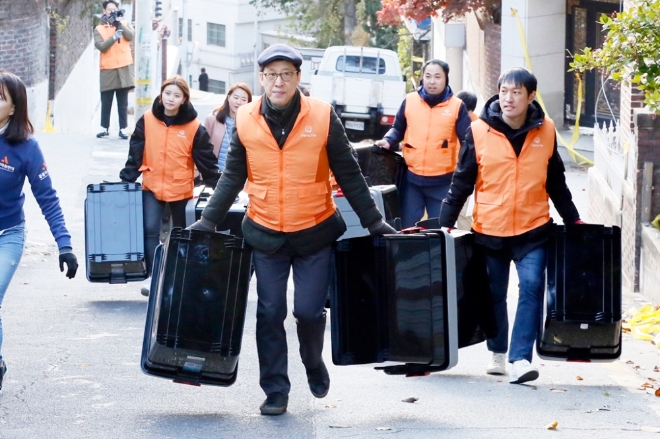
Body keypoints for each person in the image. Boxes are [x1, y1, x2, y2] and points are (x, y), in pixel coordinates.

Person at [188, 44, 396, 415]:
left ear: (299, 78)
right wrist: (210, 218)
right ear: (262, 79)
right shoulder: (247, 117)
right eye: (271, 75)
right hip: (265, 231)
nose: (278, 82)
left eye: (286, 74)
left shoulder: (322, 114)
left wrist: (372, 221)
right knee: (269, 313)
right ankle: (275, 390)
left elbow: (348, 171)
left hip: (314, 230)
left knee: (308, 312)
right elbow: (234, 173)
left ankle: (313, 362)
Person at [438, 67, 585, 385]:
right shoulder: (478, 131)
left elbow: (556, 181)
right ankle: (497, 352)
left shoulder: (545, 130)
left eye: (516, 92)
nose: (509, 98)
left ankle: (520, 359)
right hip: (490, 229)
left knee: (532, 288)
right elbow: (461, 183)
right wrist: (444, 224)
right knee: (493, 295)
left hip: (534, 229)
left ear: (531, 96)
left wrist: (573, 218)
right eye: (504, 91)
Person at [0, 71, 79, 391]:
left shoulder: (26, 149)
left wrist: (65, 244)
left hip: (8, 235)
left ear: (14, 107)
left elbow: (47, 199)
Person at [119, 76, 220, 297]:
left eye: (176, 95)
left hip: (181, 189)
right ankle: (156, 276)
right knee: (149, 230)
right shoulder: (147, 120)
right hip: (152, 185)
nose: (171, 99)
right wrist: (126, 179)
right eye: (167, 93)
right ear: (161, 94)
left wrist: (219, 186)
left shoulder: (194, 127)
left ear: (184, 99)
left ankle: (177, 277)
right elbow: (136, 152)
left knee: (181, 234)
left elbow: (206, 160)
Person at [375, 59, 471, 228]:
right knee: (406, 228)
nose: (432, 81)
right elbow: (397, 128)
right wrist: (388, 141)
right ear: (422, 79)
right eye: (428, 76)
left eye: (437, 77)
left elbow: (468, 141)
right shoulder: (410, 101)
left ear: (446, 79)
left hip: (443, 183)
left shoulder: (457, 107)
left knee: (440, 231)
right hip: (412, 180)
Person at [94, 0, 134, 140]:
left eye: (114, 9)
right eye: (109, 9)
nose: (111, 11)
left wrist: (120, 24)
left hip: (124, 67)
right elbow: (101, 46)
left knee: (122, 102)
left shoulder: (125, 24)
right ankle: (104, 127)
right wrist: (113, 38)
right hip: (108, 68)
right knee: (106, 100)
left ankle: (123, 128)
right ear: (104, 11)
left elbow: (131, 36)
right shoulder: (99, 29)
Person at [204, 82, 252, 171]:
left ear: (248, 103)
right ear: (229, 97)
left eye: (243, 99)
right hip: (212, 176)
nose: (238, 102)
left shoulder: (251, 125)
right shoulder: (212, 119)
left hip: (235, 180)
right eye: (236, 97)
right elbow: (201, 150)